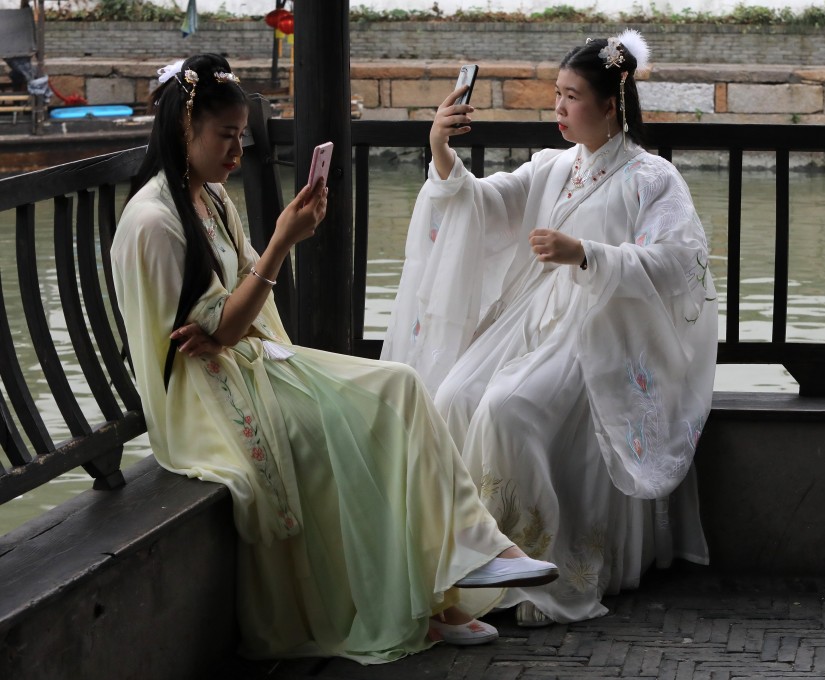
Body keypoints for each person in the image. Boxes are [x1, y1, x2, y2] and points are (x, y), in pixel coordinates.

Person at [109, 54, 558, 664]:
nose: (237, 151)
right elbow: (205, 334)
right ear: (183, 130)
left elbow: (229, 315)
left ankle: (467, 561)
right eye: (226, 136)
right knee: (361, 424)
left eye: (242, 136)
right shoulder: (155, 223)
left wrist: (228, 318)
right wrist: (279, 247)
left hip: (246, 359)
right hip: (204, 395)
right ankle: (430, 593)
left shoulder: (209, 197)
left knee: (399, 386)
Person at [382, 30, 718, 626]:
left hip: (599, 330)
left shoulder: (652, 178)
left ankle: (532, 560)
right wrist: (440, 150)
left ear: (610, 105)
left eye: (571, 96)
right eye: (556, 94)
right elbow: (482, 205)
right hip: (531, 321)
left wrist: (586, 253)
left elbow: (677, 263)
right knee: (456, 394)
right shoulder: (553, 167)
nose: (558, 109)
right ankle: (466, 559)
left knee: (508, 408)